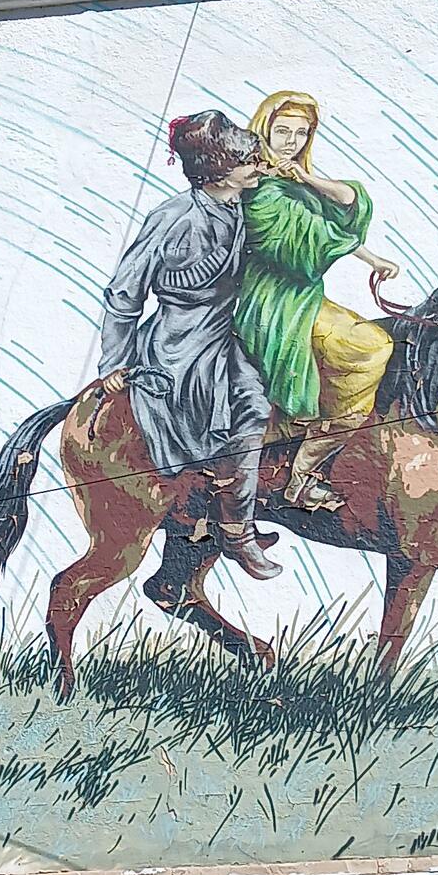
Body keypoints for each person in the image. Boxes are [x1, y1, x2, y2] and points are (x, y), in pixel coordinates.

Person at [95, 112, 281, 579]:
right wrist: (114, 362)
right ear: (219, 168)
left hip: (223, 332)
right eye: (246, 160)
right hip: (179, 346)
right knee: (251, 409)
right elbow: (123, 292)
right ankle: (236, 530)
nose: (257, 166)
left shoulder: (242, 203)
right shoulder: (173, 217)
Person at [236, 87, 401, 512]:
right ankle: (304, 471)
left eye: (302, 133)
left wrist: (371, 257)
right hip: (273, 301)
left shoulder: (291, 181)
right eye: (283, 130)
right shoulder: (257, 187)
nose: (291, 141)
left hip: (303, 295)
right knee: (370, 346)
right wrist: (364, 253)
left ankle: (306, 466)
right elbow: (304, 242)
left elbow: (340, 210)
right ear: (264, 129)